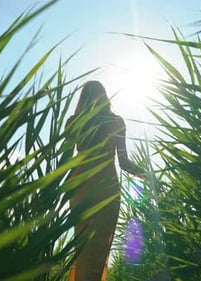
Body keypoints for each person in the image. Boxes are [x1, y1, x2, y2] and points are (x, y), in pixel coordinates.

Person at [66, 80, 143, 281]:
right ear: (104, 96)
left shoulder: (74, 122)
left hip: (80, 186)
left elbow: (65, 160)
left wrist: (53, 187)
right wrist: (145, 174)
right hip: (107, 187)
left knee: (82, 246)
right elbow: (124, 162)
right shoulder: (116, 122)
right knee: (100, 245)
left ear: (83, 98)